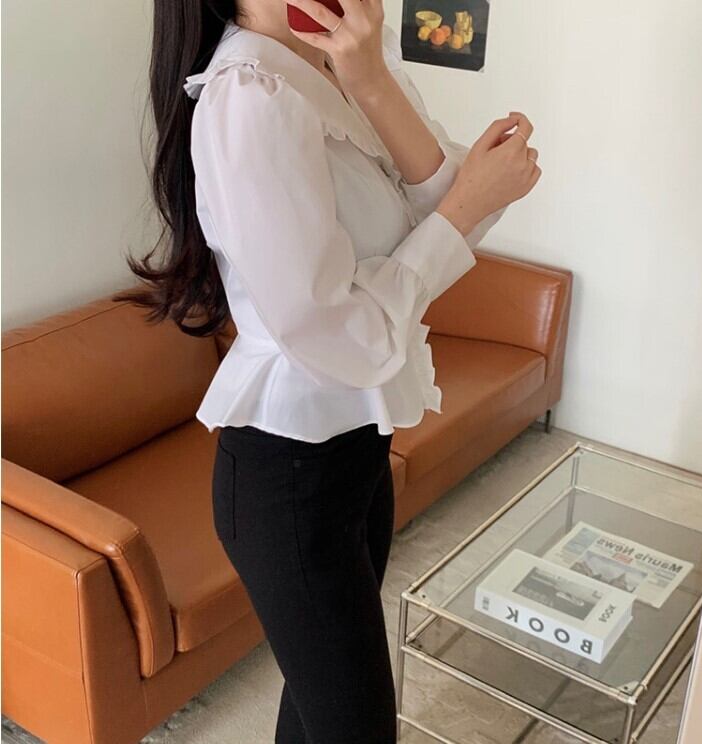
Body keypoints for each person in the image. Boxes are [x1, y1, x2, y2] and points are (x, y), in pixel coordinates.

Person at [118, 1, 540, 741]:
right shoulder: (250, 96)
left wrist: (372, 81)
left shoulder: (346, 62)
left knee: (320, 712)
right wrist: (463, 208)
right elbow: (338, 331)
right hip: (288, 480)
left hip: (356, 456)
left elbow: (456, 203)